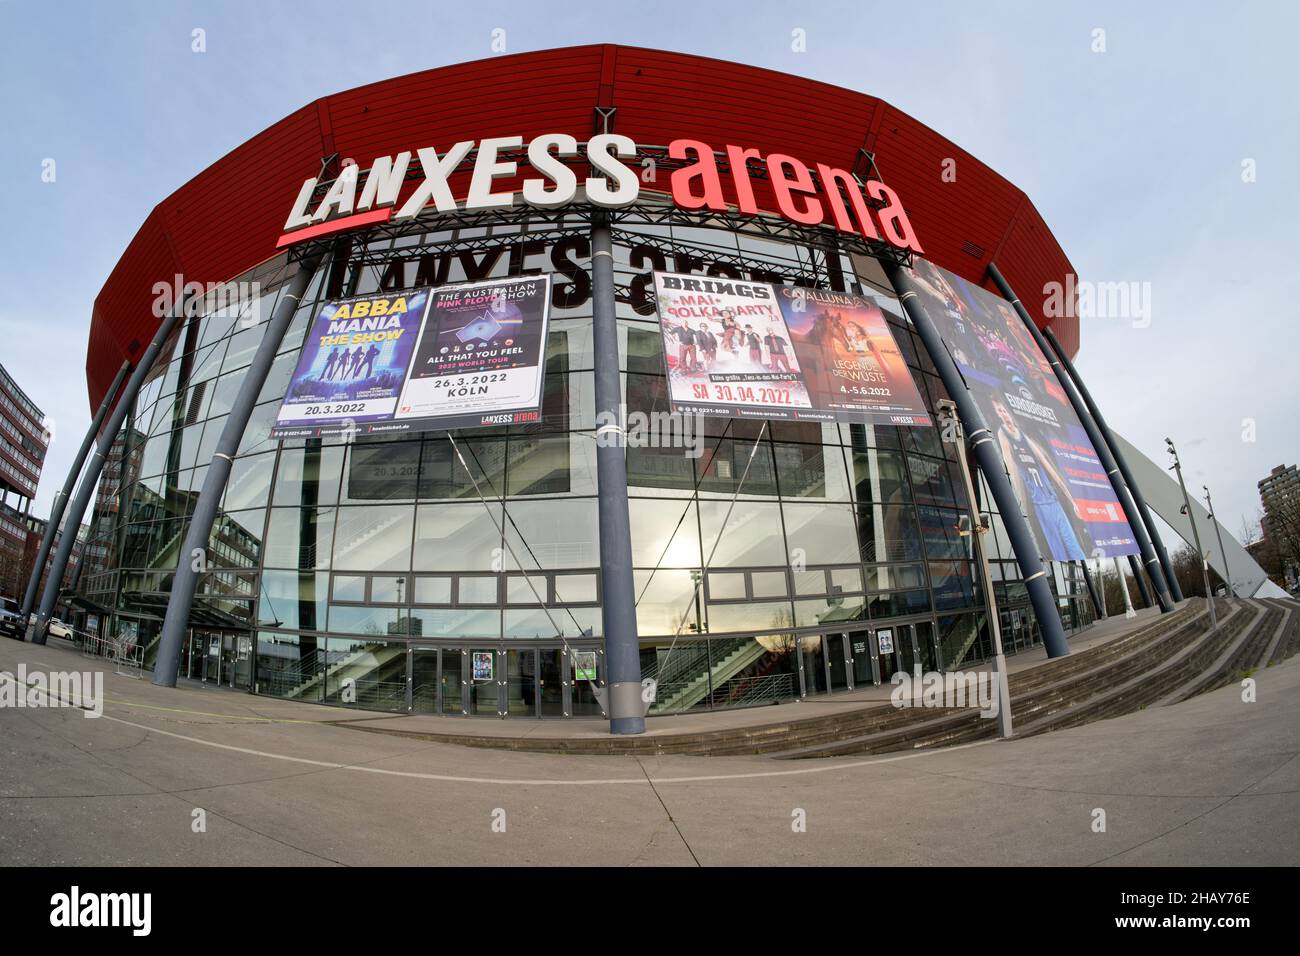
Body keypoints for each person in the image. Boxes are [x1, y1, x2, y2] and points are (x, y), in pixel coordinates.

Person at [990, 398, 1088, 561]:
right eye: (999, 411)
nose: (1003, 413)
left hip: (1054, 501)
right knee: (1058, 553)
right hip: (1040, 505)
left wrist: (1073, 501)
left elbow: (1049, 467)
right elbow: (1010, 469)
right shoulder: (1003, 433)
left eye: (1004, 410)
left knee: (1074, 548)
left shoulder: (1024, 437)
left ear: (1009, 411)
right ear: (997, 414)